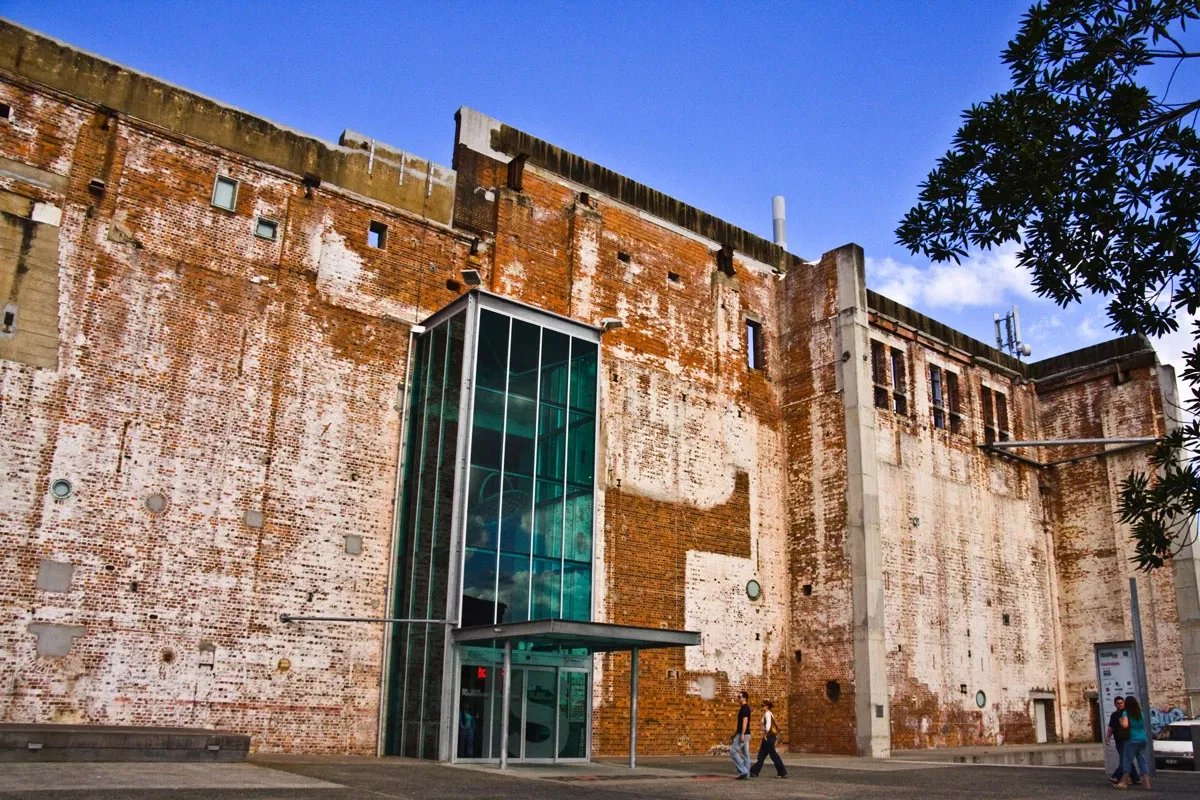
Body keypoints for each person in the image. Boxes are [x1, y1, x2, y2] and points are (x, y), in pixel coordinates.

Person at [1116, 695, 1150, 790]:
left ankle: (1124, 782)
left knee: (1127, 760)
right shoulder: (1140, 713)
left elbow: (1125, 725)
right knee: (1142, 761)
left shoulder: (1126, 713)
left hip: (1132, 739)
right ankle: (1147, 783)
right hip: (1142, 738)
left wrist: (1121, 721)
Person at [749, 700, 788, 778]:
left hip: (768, 737)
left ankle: (782, 772)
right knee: (762, 755)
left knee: (772, 755)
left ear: (767, 706)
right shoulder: (768, 713)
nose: (762, 707)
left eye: (763, 705)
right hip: (768, 737)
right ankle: (754, 772)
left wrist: (765, 735)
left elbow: (768, 726)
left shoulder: (767, 714)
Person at [1105, 696, 1138, 787]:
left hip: (1127, 739)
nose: (1120, 705)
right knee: (1127, 759)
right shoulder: (1114, 715)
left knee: (1124, 759)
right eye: (1118, 703)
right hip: (1118, 740)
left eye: (1121, 703)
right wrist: (1108, 737)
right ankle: (1135, 778)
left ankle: (1116, 776)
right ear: (1115, 704)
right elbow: (1111, 727)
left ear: (1124, 703)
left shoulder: (1127, 713)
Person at [730, 690, 752, 780]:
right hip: (744, 733)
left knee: (733, 751)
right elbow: (740, 723)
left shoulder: (745, 708)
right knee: (746, 754)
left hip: (743, 734)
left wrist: (742, 734)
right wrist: (735, 733)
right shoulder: (743, 708)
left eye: (739, 697)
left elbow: (745, 722)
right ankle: (746, 774)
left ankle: (743, 771)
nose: (737, 698)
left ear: (744, 698)